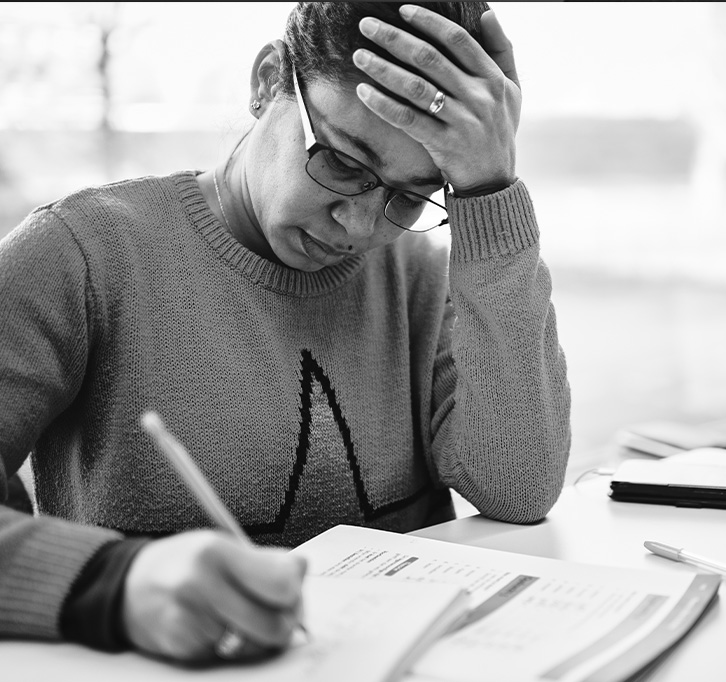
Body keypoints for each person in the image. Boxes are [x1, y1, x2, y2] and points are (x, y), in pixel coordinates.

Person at [0, 0, 570, 665]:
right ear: (269, 80)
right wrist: (116, 581)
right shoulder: (83, 255)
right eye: (342, 162)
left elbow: (519, 488)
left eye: (410, 196)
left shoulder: (422, 274)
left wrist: (488, 191)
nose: (359, 227)